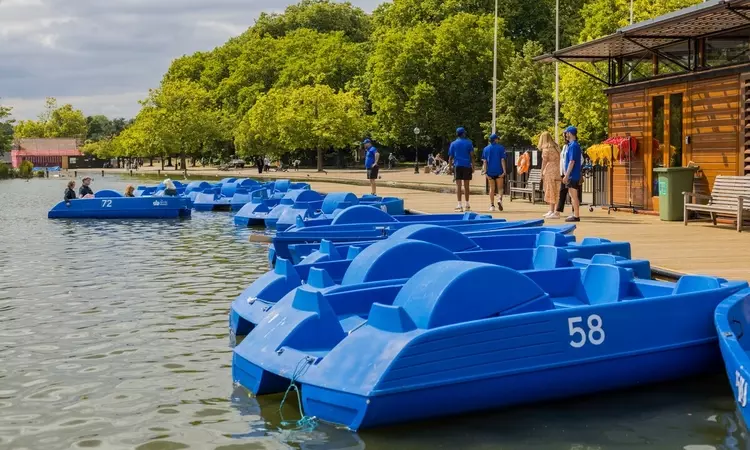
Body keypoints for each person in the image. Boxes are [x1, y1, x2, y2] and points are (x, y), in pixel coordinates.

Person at [448, 127, 475, 212]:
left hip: (458, 165)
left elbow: (450, 157)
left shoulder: (453, 144)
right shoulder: (469, 143)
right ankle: (467, 204)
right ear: (463, 133)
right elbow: (472, 155)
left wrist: (449, 167)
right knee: (466, 186)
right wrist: (473, 166)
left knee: (458, 185)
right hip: (467, 165)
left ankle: (459, 205)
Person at [539, 132, 562, 219]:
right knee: (556, 190)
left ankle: (553, 210)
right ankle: (554, 210)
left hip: (549, 170)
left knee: (550, 189)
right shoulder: (556, 147)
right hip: (557, 169)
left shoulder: (546, 149)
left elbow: (544, 161)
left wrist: (541, 172)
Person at [481, 133, 506, 212]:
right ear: (495, 139)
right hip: (499, 171)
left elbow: (485, 162)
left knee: (491, 188)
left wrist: (485, 172)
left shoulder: (485, 149)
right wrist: (504, 171)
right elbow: (502, 160)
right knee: (500, 188)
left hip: (490, 172)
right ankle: (499, 199)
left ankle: (492, 205)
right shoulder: (501, 148)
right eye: (497, 139)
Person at [562, 126, 582, 222]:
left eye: (566, 133)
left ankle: (576, 215)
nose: (565, 135)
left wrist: (566, 175)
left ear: (570, 133)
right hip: (572, 174)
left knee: (573, 195)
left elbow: (572, 161)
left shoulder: (573, 145)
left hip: (572, 175)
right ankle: (575, 214)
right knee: (572, 194)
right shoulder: (572, 145)